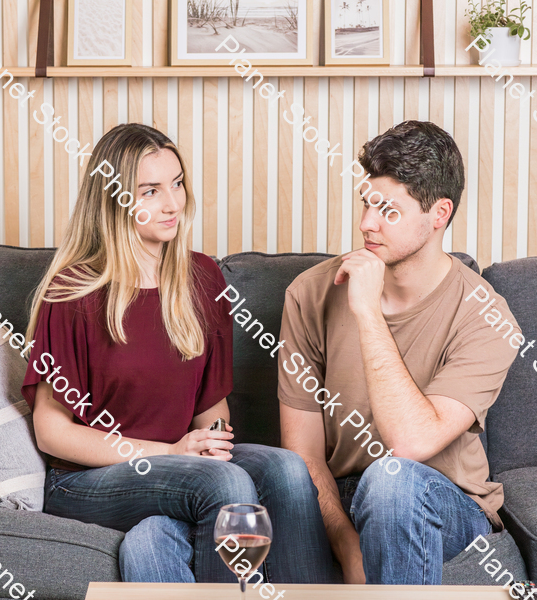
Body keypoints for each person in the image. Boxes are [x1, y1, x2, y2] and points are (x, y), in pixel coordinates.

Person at [126, 120, 521, 585]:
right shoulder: (310, 294)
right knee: (154, 537)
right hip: (335, 494)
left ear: (439, 213)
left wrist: (367, 313)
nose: (366, 224)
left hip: (442, 500)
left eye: (388, 211)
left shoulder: (486, 316)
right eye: (367, 203)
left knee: (392, 481)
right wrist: (342, 540)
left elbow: (409, 446)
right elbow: (305, 455)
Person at [21, 123, 333, 584]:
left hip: (179, 464)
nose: (172, 203)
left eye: (177, 183)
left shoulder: (202, 277)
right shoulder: (73, 292)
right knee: (223, 485)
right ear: (114, 199)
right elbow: (51, 433)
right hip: (87, 478)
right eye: (149, 191)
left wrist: (211, 444)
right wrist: (171, 453)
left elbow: (210, 407)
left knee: (286, 470)